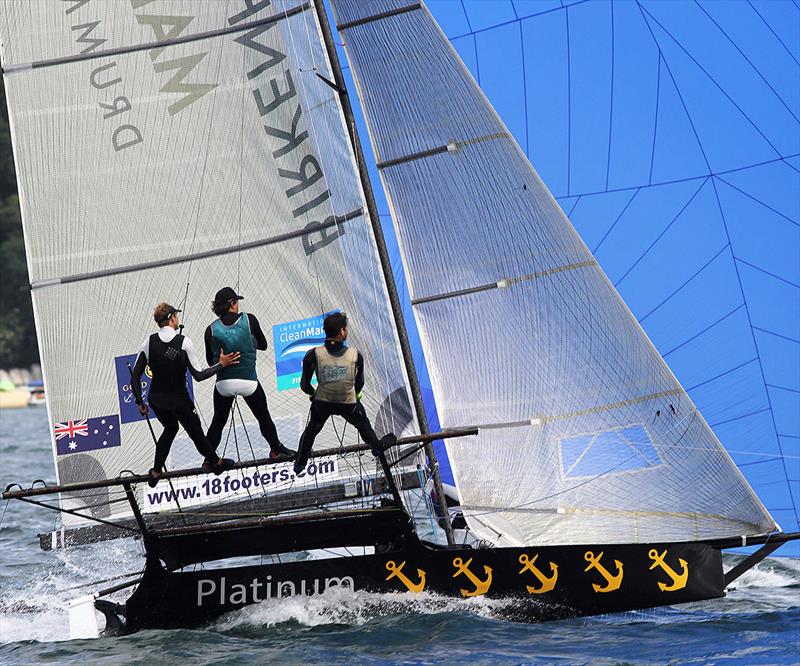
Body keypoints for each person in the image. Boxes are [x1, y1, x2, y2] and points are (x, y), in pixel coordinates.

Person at [131, 302, 239, 487]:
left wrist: (140, 403)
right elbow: (198, 375)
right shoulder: (184, 342)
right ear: (172, 318)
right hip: (179, 401)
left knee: (170, 428)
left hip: (156, 399)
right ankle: (216, 463)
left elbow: (134, 379)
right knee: (196, 432)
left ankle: (156, 472)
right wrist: (221, 364)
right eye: (176, 316)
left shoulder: (148, 342)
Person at [294, 311, 395, 475]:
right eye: (346, 328)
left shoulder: (312, 355)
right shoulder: (356, 355)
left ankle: (299, 464)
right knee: (363, 424)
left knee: (312, 429)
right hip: (349, 404)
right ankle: (376, 447)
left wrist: (313, 394)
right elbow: (359, 384)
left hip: (322, 403)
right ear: (342, 331)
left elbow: (305, 385)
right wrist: (356, 394)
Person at [204, 287, 295, 461]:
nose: (238, 305)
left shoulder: (210, 330)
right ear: (232, 303)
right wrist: (248, 343)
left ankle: (209, 459)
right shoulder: (249, 319)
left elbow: (210, 362)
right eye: (236, 302)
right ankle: (276, 448)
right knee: (263, 417)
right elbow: (263, 345)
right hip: (248, 382)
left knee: (218, 422)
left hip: (224, 384)